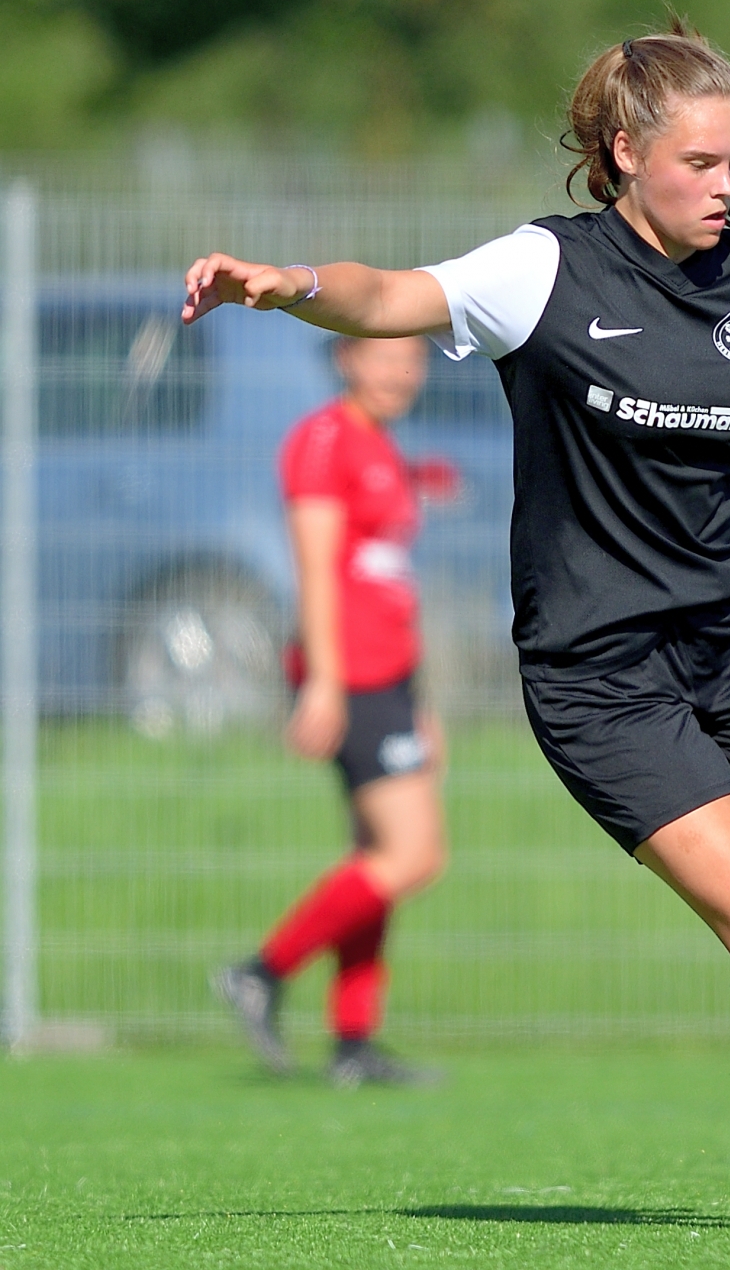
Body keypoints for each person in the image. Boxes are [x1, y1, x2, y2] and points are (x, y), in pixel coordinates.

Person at [179, 21, 730, 1235]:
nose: (728, 185)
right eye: (702, 164)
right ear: (626, 154)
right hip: (601, 681)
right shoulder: (544, 270)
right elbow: (394, 295)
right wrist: (292, 286)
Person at [212, 333, 450, 1090]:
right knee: (413, 853)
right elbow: (315, 572)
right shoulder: (323, 441)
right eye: (384, 356)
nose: (400, 372)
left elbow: (386, 581)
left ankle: (353, 1042)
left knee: (373, 856)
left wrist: (420, 700)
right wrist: (323, 681)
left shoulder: (382, 446)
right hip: (350, 677)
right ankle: (261, 970)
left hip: (388, 678)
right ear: (345, 357)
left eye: (412, 360)